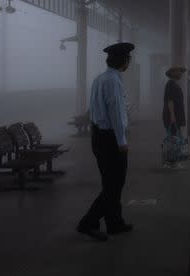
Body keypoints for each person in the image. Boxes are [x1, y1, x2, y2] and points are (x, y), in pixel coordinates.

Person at [77, 42, 135, 242]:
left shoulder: (100, 79)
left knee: (110, 183)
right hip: (110, 138)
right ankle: (88, 223)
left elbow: (95, 108)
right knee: (114, 185)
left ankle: (114, 222)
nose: (129, 62)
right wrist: (122, 141)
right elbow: (116, 114)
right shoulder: (113, 81)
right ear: (124, 61)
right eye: (128, 59)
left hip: (99, 136)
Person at [162, 66, 187, 166]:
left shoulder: (173, 84)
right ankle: (172, 161)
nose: (181, 74)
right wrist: (172, 116)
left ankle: (173, 159)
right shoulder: (171, 85)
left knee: (174, 137)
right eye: (179, 72)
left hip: (174, 115)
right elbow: (170, 101)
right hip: (171, 115)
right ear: (174, 74)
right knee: (173, 138)